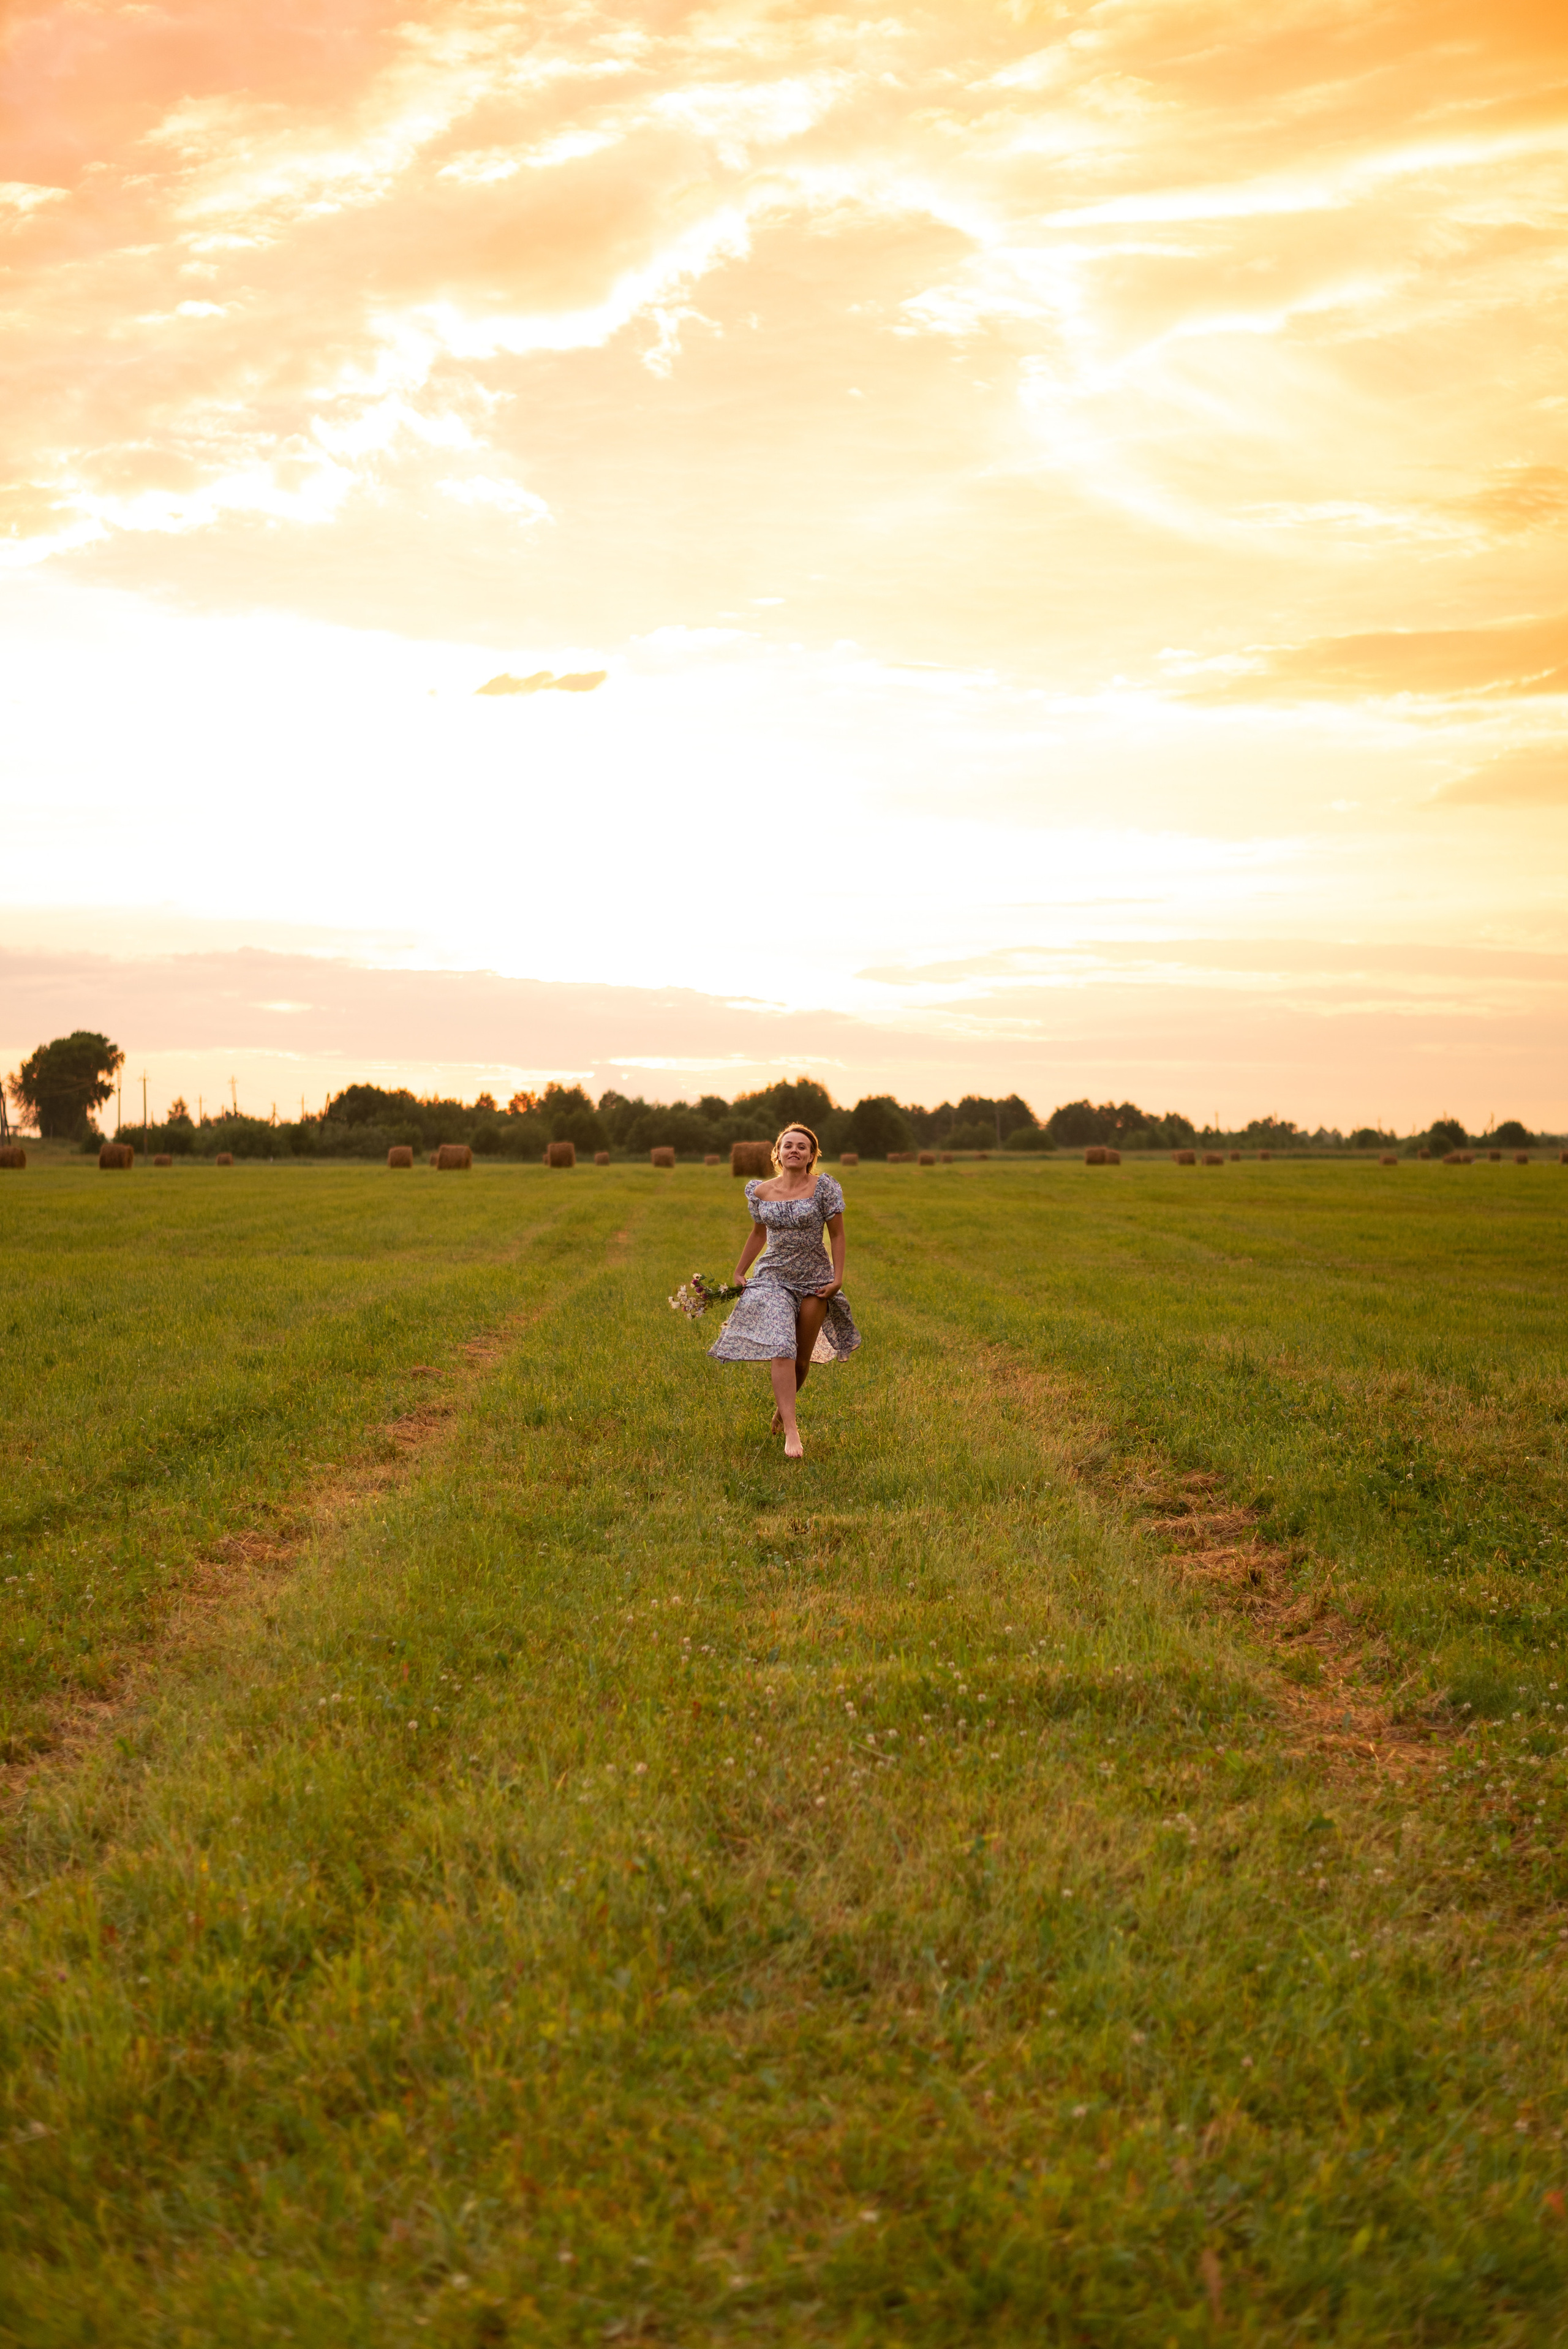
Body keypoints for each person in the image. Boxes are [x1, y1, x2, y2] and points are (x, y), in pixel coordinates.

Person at [707, 1123, 861, 1456]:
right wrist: (739, 1270)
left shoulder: (824, 1188)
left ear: (811, 1155)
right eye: (788, 1145)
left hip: (815, 1280)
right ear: (777, 1153)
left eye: (802, 1147)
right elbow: (758, 1235)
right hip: (772, 1277)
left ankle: (783, 1409)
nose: (795, 1150)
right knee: (782, 1347)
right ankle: (792, 1431)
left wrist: (837, 1278)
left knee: (801, 1362)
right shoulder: (760, 1192)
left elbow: (837, 1236)